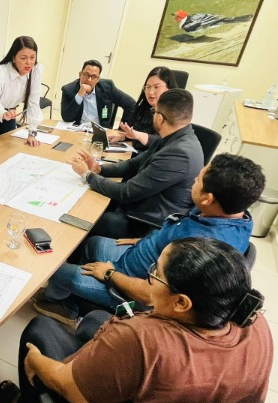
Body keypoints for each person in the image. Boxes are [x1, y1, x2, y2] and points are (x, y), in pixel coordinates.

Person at [0, 237, 272, 403]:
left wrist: (36, 362)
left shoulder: (143, 341)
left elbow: (69, 387)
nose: (149, 278)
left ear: (181, 303)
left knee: (40, 329)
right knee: (95, 319)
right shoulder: (254, 322)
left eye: (157, 274)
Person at [33, 153, 265, 324]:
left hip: (134, 287)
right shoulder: (229, 212)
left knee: (55, 270)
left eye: (198, 180)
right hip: (141, 257)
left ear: (208, 198)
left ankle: (61, 303)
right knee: (93, 243)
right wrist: (142, 241)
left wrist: (109, 274)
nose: (194, 179)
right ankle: (69, 299)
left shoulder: (202, 249)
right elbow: (175, 228)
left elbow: (151, 295)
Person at [69, 88, 203, 239]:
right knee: (90, 202)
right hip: (142, 204)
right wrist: (99, 169)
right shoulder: (174, 138)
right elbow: (134, 164)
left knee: (82, 216)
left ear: (160, 118)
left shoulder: (178, 154)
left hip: (146, 223)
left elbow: (126, 192)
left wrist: (87, 175)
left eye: (154, 111)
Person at [0, 36, 43, 146]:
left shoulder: (36, 70)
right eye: (23, 58)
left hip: (10, 112)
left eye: (32, 57)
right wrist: (2, 112)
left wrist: (32, 133)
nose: (29, 62)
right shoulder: (0, 71)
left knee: (8, 146)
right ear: (13, 58)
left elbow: (33, 102)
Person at [109, 66, 178, 151]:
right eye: (148, 87)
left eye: (156, 87)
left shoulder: (175, 114)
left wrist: (138, 135)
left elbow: (163, 142)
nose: (150, 92)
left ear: (169, 88)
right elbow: (131, 130)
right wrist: (123, 136)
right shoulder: (144, 107)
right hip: (133, 152)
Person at [60, 59, 135, 128]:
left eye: (94, 76)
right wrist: (80, 95)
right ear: (80, 74)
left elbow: (131, 105)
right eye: (86, 74)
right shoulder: (68, 90)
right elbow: (66, 118)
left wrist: (121, 130)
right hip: (77, 130)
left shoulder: (108, 87)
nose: (89, 80)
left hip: (100, 131)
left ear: (98, 79)